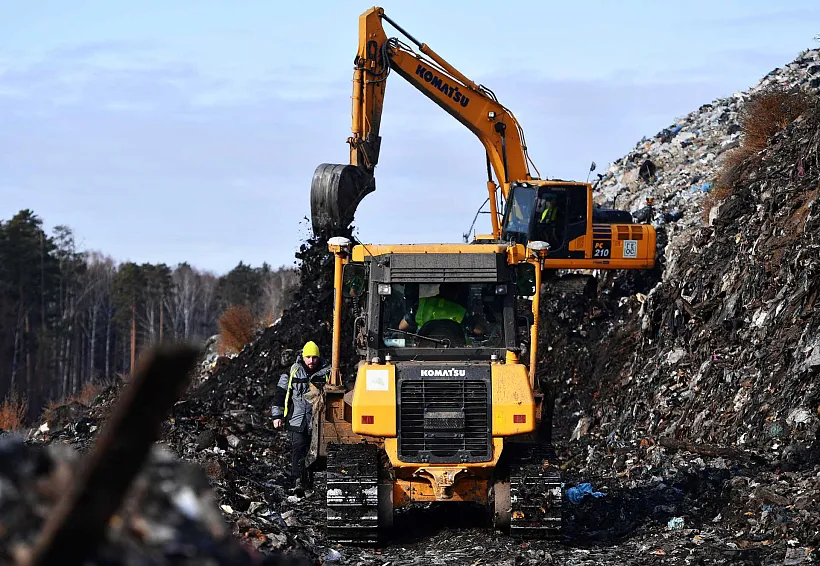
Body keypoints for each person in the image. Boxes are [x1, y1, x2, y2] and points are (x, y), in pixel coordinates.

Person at [271, 340, 330, 492]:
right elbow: (280, 395)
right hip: (296, 420)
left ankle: (309, 482)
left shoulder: (328, 372)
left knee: (314, 452)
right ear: (303, 357)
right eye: (308, 357)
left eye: (314, 357)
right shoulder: (292, 372)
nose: (311, 361)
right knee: (299, 448)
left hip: (318, 421)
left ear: (319, 357)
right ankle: (298, 482)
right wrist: (277, 416)